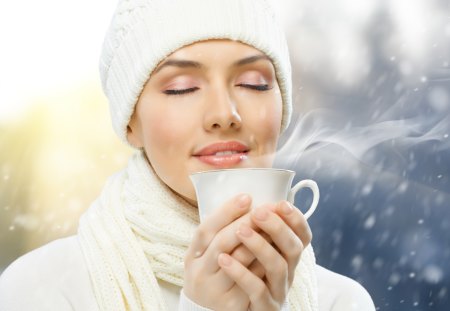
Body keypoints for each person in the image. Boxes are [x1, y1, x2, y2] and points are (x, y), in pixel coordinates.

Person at [0, 0, 375, 310]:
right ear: (131, 122)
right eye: (182, 88)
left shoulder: (341, 302)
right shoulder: (43, 290)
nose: (224, 114)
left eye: (253, 83)